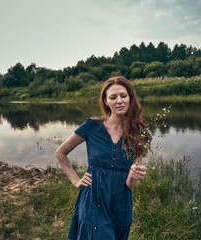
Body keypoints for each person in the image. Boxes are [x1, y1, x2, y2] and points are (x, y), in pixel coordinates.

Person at [55, 76, 152, 240]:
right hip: (94, 197)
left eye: (123, 95)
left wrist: (134, 176)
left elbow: (131, 185)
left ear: (130, 98)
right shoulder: (92, 126)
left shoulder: (139, 133)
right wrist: (75, 180)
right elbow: (61, 153)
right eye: (113, 97)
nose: (119, 101)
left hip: (121, 203)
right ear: (106, 102)